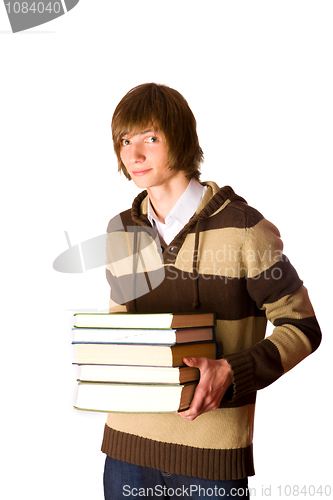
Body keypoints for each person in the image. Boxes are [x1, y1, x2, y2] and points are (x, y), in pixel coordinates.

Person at [102, 83, 321, 499]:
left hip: (210, 461)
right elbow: (119, 331)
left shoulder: (244, 228)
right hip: (125, 448)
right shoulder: (122, 231)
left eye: (150, 137)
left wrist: (231, 370)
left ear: (181, 139)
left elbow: (303, 328)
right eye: (124, 141)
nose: (134, 154)